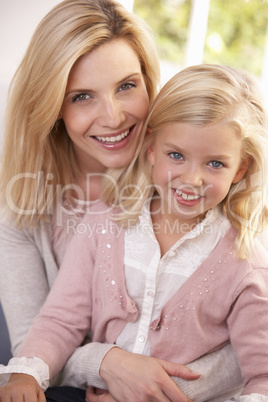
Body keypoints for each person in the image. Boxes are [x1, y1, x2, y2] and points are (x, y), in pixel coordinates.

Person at [0, 0, 244, 400]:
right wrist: (109, 363)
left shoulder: (190, 180)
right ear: (51, 105)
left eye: (127, 86)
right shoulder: (22, 211)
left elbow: (252, 339)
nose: (113, 117)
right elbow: (33, 352)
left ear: (149, 83)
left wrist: (152, 392)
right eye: (81, 96)